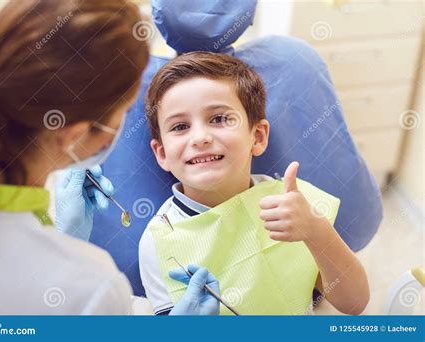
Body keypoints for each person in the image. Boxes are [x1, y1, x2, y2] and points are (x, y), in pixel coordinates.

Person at [0, 0, 219, 315]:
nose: (201, 138)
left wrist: (59, 239)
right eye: (124, 111)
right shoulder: (91, 287)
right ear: (74, 135)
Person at [139, 51, 370, 315]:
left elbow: (355, 303)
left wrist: (317, 231)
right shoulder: (158, 242)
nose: (200, 137)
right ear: (162, 154)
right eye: (180, 126)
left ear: (257, 136)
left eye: (219, 119)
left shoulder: (293, 206)